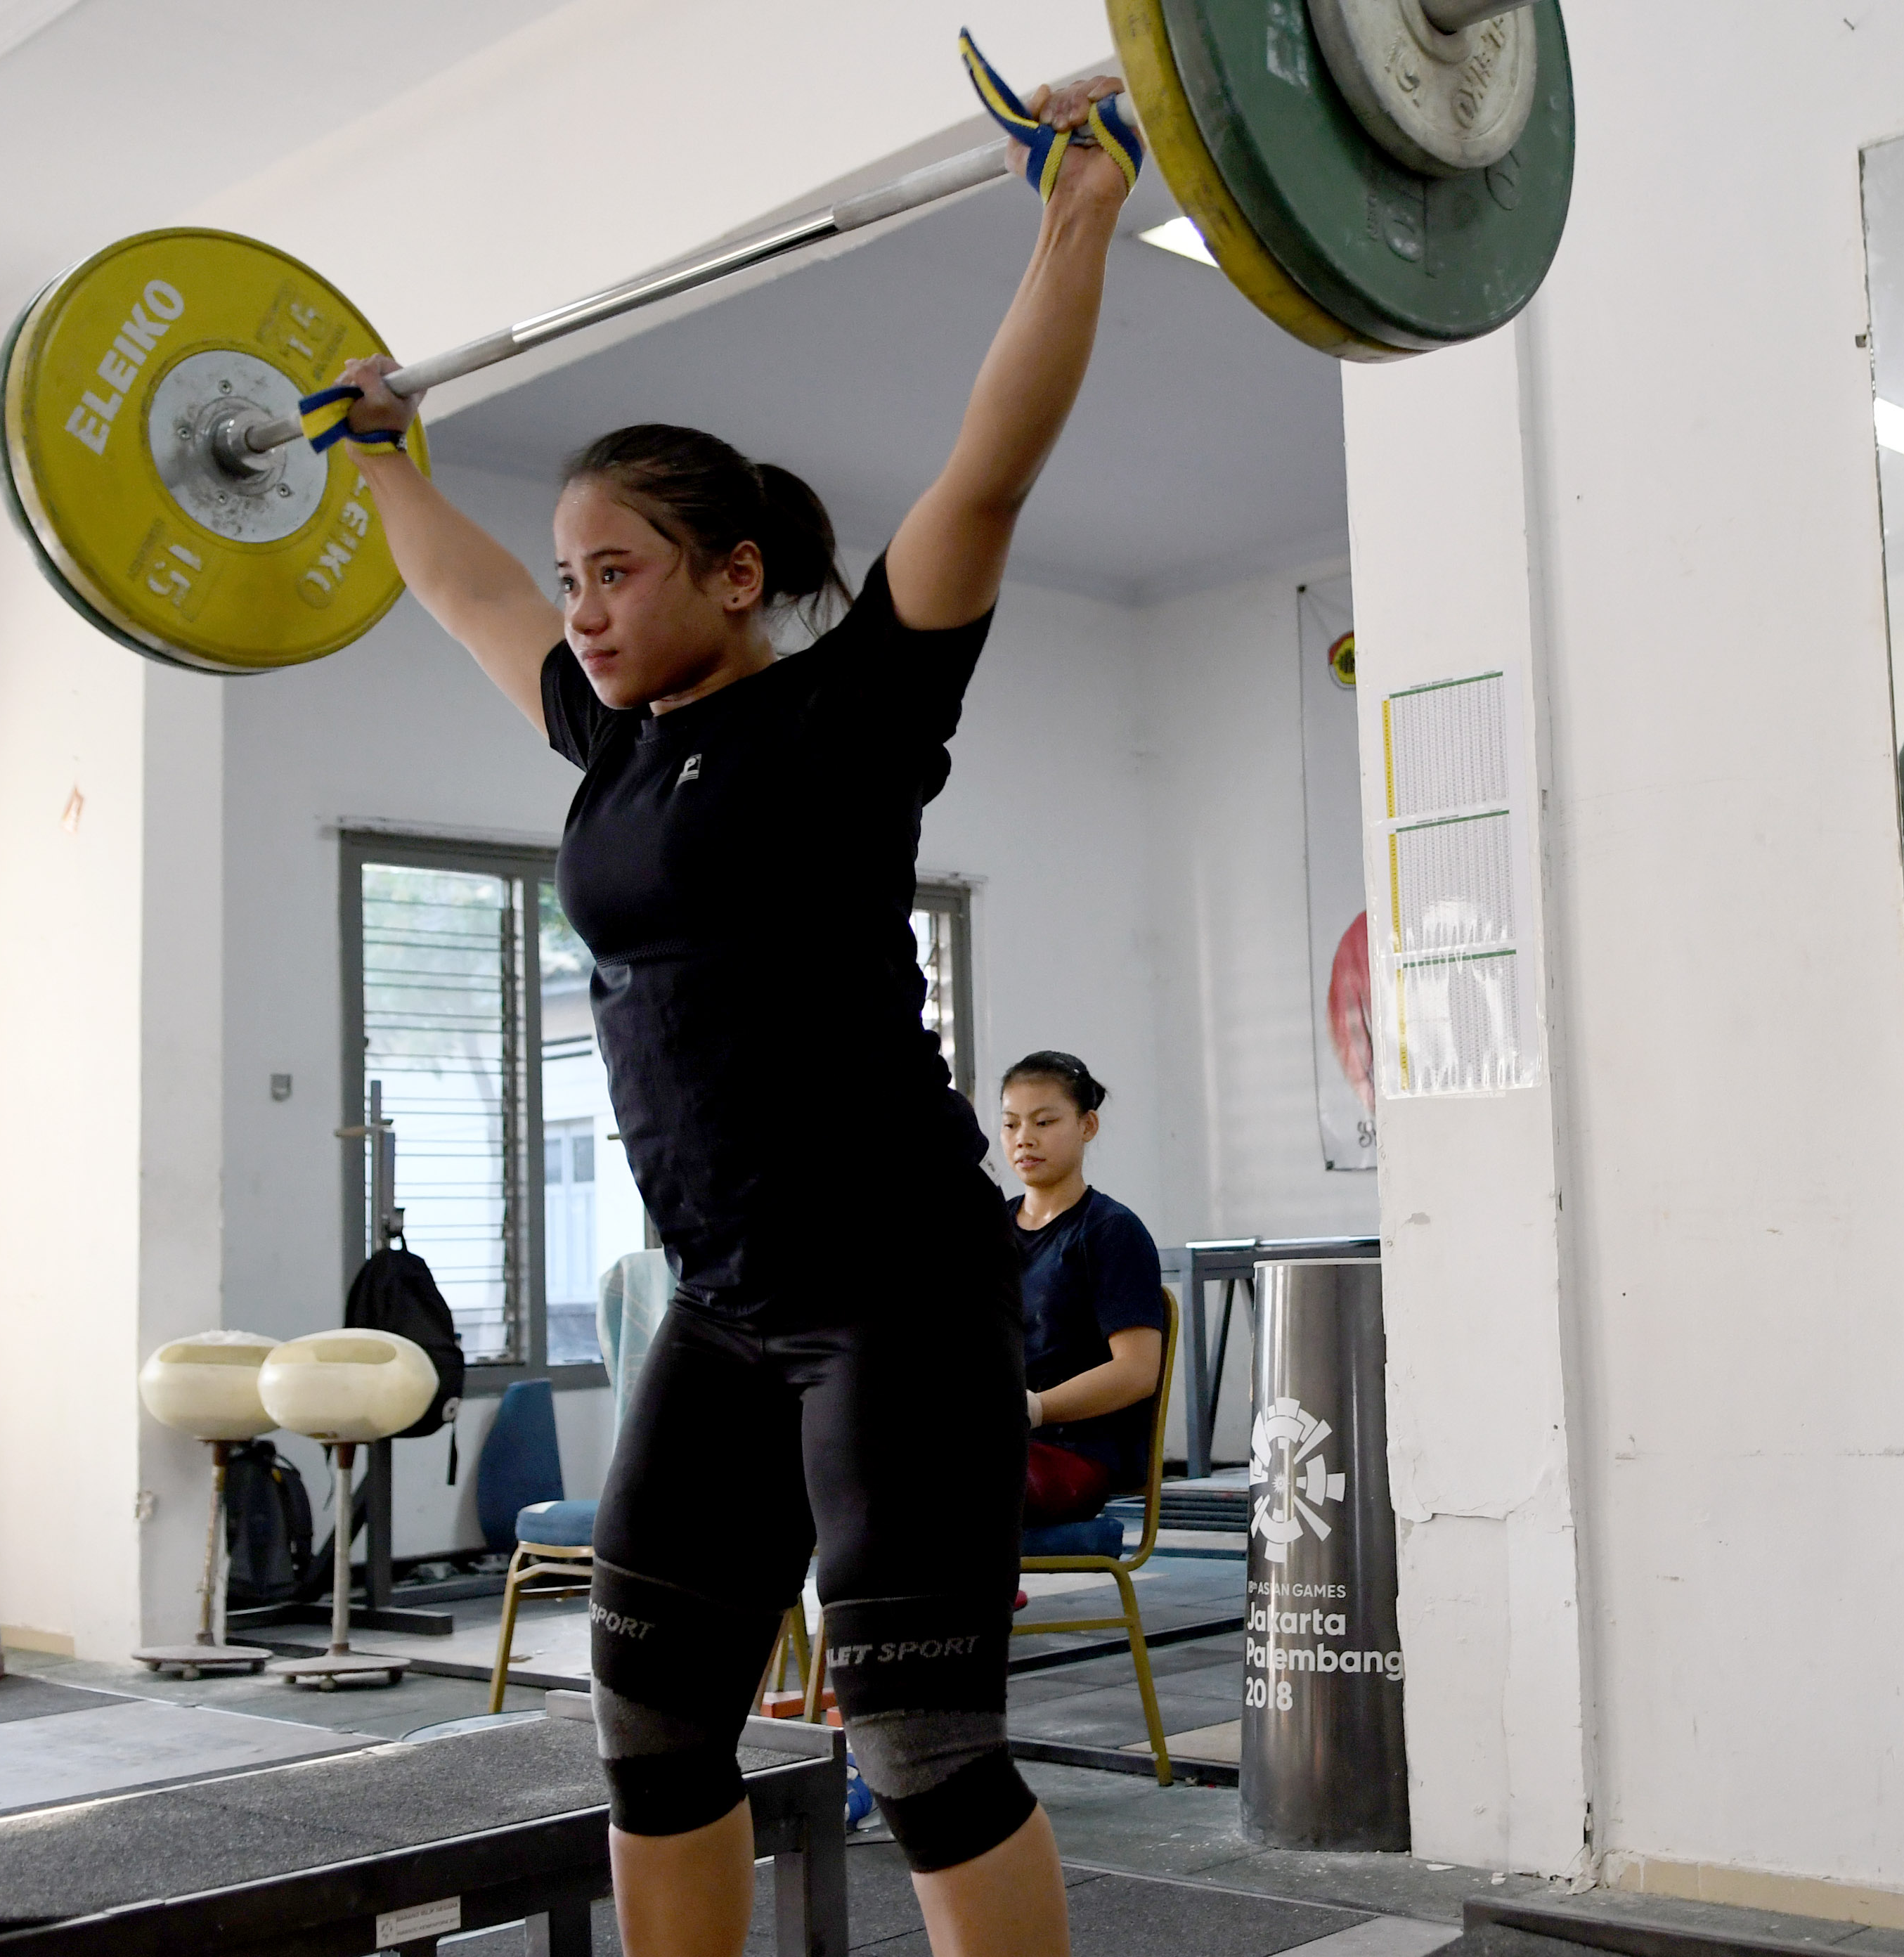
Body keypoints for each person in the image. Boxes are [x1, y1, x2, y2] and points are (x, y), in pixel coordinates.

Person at [323, 72, 1136, 1957]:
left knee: (924, 1748)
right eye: (575, 579)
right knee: (653, 1730)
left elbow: (988, 472)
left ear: (735, 573)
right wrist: (380, 455)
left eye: (618, 573)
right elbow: (456, 593)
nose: (582, 609)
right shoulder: (614, 739)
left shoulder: (850, 718)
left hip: (900, 1296)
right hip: (729, 1297)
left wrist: (1076, 211)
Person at [1001, 1052, 1165, 1523]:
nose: (1024, 1139)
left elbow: (1136, 1371)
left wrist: (1036, 1408)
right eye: (1010, 1125)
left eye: (1044, 1121)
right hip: (997, 1440)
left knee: (959, 1479)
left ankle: (976, 1597)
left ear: (1087, 1126)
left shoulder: (1110, 1232)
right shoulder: (988, 1230)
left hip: (1077, 1453)